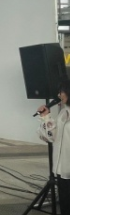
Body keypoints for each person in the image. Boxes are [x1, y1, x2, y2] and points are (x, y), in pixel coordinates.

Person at [35, 81, 69, 214]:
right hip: (62, 170)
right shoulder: (64, 113)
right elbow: (52, 137)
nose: (59, 95)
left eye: (62, 92)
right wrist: (46, 117)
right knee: (65, 206)